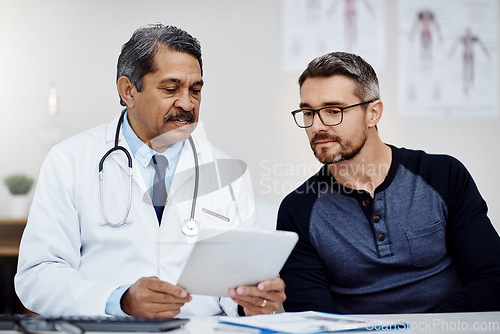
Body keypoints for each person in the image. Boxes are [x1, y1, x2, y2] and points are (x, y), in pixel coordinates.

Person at [15, 23, 285, 318]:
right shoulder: (70, 160)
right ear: (128, 90)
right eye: (171, 89)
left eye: (195, 90)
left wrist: (251, 302)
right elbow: (37, 276)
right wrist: (119, 301)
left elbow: (241, 282)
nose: (186, 103)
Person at [277, 51, 500, 313]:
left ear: (373, 113)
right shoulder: (298, 209)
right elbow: (311, 319)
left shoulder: (443, 175)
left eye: (333, 110)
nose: (317, 126)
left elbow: (492, 280)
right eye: (308, 113)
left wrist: (425, 331)